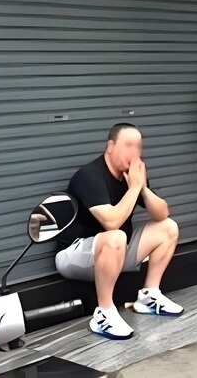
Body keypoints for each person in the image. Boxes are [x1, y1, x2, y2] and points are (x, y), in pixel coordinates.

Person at [55, 123, 183, 340]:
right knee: (116, 236)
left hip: (116, 251)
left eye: (139, 147)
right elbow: (111, 222)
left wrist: (141, 187)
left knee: (168, 228)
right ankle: (103, 312)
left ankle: (149, 296)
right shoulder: (89, 176)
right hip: (75, 255)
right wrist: (134, 188)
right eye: (128, 145)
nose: (135, 153)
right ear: (110, 146)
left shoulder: (132, 176)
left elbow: (162, 213)